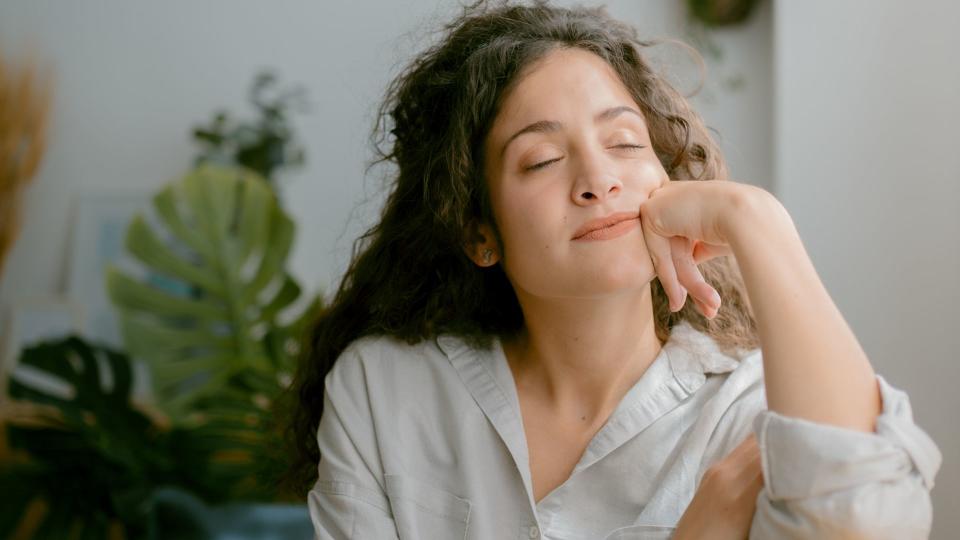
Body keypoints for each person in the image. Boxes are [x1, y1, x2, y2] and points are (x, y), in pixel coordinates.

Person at [284, 1, 942, 538]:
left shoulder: (761, 414)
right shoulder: (385, 389)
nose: (597, 180)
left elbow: (869, 525)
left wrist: (757, 221)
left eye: (625, 143)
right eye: (541, 160)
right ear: (479, 232)